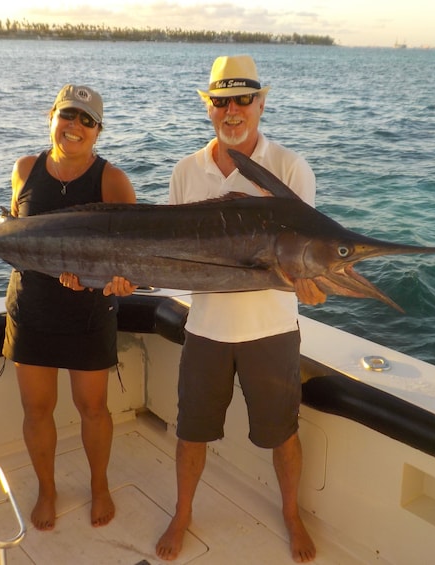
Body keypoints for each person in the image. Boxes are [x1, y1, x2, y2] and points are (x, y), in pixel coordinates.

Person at [155, 56, 326, 563]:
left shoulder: (292, 169)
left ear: (261, 103)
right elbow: (164, 254)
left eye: (243, 100)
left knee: (284, 435)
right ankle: (183, 512)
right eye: (221, 102)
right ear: (209, 108)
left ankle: (290, 513)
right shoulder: (186, 171)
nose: (232, 111)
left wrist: (312, 287)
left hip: (271, 332)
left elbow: (306, 260)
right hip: (205, 329)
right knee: (191, 433)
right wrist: (124, 278)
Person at [0, 84, 137, 531]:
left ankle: (99, 487)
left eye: (87, 120)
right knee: (36, 410)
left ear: (98, 132)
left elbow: (131, 255)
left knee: (93, 409)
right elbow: (15, 231)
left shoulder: (112, 180)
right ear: (51, 117)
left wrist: (117, 283)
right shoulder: (25, 169)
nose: (75, 126)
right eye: (68, 115)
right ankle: (47, 490)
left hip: (89, 312)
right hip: (31, 308)